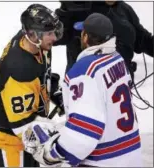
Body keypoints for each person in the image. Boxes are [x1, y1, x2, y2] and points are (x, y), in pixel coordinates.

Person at [22, 13, 143, 167]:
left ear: (85, 37)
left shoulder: (84, 71)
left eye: (82, 32)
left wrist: (51, 154)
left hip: (104, 161)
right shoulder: (117, 59)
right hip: (132, 155)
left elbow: (84, 133)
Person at [0, 4, 63, 167]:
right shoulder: (20, 69)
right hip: (7, 138)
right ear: (33, 35)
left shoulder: (36, 44)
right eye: (50, 33)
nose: (55, 38)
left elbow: (36, 77)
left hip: (14, 120)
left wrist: (51, 91)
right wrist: (49, 146)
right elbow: (23, 127)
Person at [54, 1, 153, 81]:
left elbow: (143, 40)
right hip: (85, 89)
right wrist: (64, 10)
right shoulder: (79, 8)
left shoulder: (124, 9)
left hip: (119, 87)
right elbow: (56, 37)